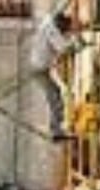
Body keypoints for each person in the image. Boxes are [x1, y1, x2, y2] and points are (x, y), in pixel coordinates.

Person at [29, 11, 81, 141]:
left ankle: (56, 127)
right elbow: (64, 48)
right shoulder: (52, 31)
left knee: (55, 93)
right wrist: (77, 42)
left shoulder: (48, 21)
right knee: (54, 95)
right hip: (40, 69)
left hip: (39, 66)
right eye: (64, 31)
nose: (65, 33)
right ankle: (56, 129)